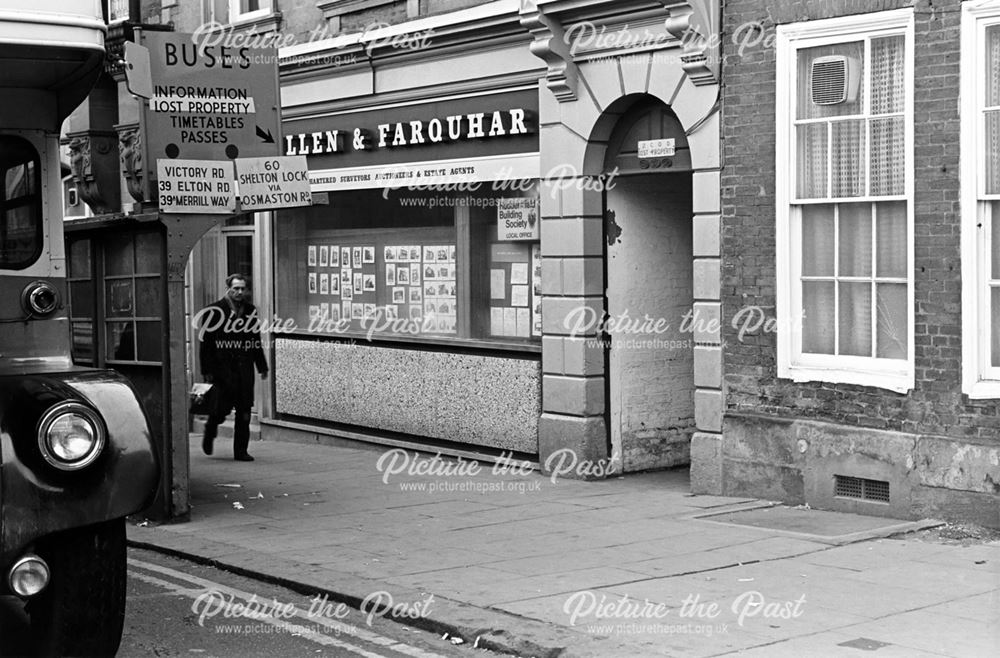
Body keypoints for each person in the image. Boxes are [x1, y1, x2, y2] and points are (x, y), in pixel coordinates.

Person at [198, 273, 269, 461]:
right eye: (235, 288)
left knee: (244, 411)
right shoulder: (213, 311)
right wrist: (207, 371)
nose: (239, 292)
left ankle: (241, 451)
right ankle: (210, 429)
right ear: (228, 288)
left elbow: (255, 340)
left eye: (242, 288)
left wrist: (261, 366)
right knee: (220, 409)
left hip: (244, 370)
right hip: (222, 371)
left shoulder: (250, 310)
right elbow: (205, 345)